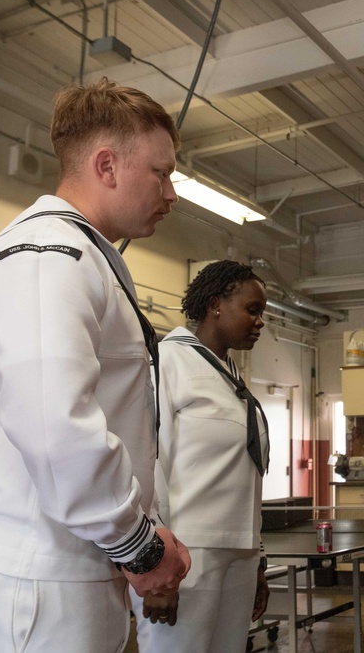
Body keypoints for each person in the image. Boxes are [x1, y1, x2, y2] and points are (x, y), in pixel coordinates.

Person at [0, 78, 191, 652]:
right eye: (161, 173)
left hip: (53, 576)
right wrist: (138, 546)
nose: (172, 192)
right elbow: (55, 426)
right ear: (107, 165)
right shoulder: (47, 256)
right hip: (26, 585)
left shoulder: (82, 258)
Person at [131, 260, 272, 653]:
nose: (259, 321)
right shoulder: (167, 362)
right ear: (215, 305)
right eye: (252, 310)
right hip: (187, 553)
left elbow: (246, 476)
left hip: (238, 552)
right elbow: (149, 465)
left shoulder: (229, 376)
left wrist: (256, 557)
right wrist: (158, 567)